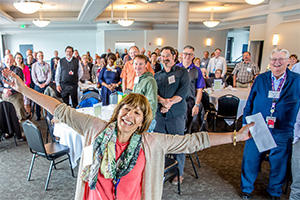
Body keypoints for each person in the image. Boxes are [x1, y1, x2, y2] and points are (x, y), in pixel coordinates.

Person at [2, 67, 254, 200]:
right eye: (127, 109)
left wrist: (236, 137)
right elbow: (61, 109)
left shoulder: (151, 142)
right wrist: (24, 89)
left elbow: (194, 141)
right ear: (118, 110)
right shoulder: (95, 128)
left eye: (137, 113)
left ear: (143, 121)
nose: (129, 116)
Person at [240, 48, 300, 199]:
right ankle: (246, 189)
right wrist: (245, 124)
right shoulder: (261, 79)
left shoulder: (297, 80)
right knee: (251, 160)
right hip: (258, 125)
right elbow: (250, 102)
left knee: (279, 164)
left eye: (281, 60)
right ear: (270, 62)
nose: (277, 63)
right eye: (274, 60)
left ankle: (274, 192)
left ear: (288, 62)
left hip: (283, 128)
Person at [154, 46, 190, 184]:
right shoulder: (157, 75)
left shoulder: (182, 72)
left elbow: (183, 93)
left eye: (167, 55)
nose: (164, 59)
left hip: (176, 115)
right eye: (162, 56)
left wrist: (168, 105)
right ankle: (159, 171)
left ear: (174, 56)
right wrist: (163, 102)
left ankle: (179, 173)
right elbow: (154, 93)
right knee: (158, 145)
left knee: (178, 145)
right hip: (160, 116)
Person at [178, 45, 206, 135]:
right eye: (186, 54)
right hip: (177, 103)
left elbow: (200, 89)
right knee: (178, 127)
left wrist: (197, 105)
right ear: (182, 55)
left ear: (193, 56)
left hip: (190, 103)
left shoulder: (197, 70)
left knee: (191, 128)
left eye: (190, 54)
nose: (187, 56)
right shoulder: (175, 68)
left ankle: (190, 148)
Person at [132, 54, 157, 132]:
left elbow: (152, 103)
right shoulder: (138, 79)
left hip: (145, 121)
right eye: (136, 64)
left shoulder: (150, 80)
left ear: (146, 65)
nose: (138, 66)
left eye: (141, 64)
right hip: (137, 118)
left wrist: (145, 121)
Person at [0, 54, 26, 121]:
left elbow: (20, 84)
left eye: (11, 59)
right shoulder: (1, 71)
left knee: (20, 114)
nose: (9, 61)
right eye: (7, 59)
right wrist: (4, 90)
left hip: (16, 95)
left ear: (13, 60)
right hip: (5, 95)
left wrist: (10, 91)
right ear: (4, 60)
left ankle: (22, 130)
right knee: (6, 115)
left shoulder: (18, 70)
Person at [31, 51, 52, 121]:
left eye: (42, 55)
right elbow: (33, 76)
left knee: (47, 100)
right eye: (39, 56)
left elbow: (49, 75)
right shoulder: (34, 65)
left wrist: (45, 83)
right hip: (38, 85)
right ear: (37, 57)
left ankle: (47, 114)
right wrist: (38, 84)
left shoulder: (47, 65)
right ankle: (38, 115)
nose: (41, 57)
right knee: (37, 101)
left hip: (45, 84)